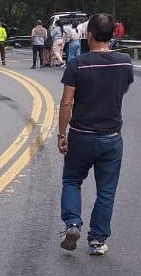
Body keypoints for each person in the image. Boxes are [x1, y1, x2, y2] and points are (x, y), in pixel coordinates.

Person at [57, 14, 133, 257]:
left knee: (72, 180)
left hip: (81, 135)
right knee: (106, 191)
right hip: (111, 136)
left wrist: (61, 134)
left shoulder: (77, 64)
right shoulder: (124, 62)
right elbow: (123, 90)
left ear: (89, 35)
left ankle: (72, 223)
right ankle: (98, 240)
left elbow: (66, 102)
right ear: (111, 35)